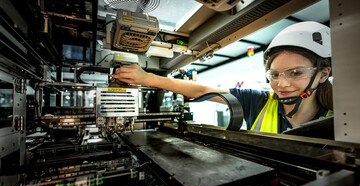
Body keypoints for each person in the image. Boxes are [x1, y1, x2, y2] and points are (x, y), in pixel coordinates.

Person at [110, 21, 333, 134]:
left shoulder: (342, 118)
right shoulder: (258, 102)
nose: (282, 84)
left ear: (323, 74)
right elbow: (201, 91)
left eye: (296, 73)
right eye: (274, 75)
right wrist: (148, 78)